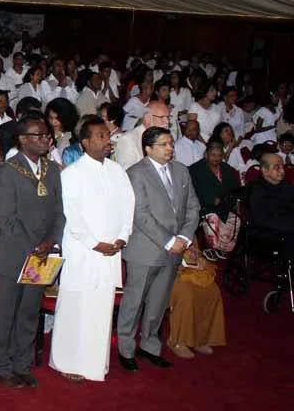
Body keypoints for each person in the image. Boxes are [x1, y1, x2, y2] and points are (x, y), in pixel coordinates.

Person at [50, 117, 134, 382]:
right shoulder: (72, 173)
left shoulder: (117, 171)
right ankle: (67, 361)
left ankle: (95, 363)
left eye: (107, 136)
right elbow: (72, 216)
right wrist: (94, 243)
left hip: (110, 252)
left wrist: (121, 237)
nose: (107, 140)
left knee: (101, 307)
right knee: (76, 306)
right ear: (85, 142)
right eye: (100, 136)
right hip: (84, 252)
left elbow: (128, 206)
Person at [0, 112, 65, 389]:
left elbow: (59, 211)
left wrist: (51, 241)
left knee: (29, 313)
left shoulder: (52, 170)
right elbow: (6, 218)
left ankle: (22, 364)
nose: (46, 139)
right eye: (40, 135)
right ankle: (3, 366)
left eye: (48, 135)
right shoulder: (6, 172)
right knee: (7, 313)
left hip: (41, 255)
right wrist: (35, 246)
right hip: (15, 254)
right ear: (23, 140)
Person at [117, 127, 200, 372]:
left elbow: (193, 207)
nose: (170, 148)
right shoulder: (135, 173)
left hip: (174, 249)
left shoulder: (181, 171)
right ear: (148, 148)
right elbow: (140, 214)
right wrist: (168, 240)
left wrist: (184, 237)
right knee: (135, 301)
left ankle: (149, 346)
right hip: (146, 249)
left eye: (171, 143)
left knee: (158, 302)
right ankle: (126, 348)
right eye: (163, 144)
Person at [190, 140, 242, 260]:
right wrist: (210, 200)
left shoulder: (227, 169)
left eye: (219, 156)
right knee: (212, 218)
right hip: (204, 207)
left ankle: (223, 248)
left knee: (236, 220)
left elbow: (235, 190)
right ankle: (212, 247)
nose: (216, 159)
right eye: (213, 155)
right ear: (206, 154)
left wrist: (225, 199)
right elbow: (193, 192)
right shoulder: (195, 169)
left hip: (225, 205)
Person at [112, 100, 172, 170]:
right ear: (147, 118)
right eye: (162, 117)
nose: (167, 122)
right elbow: (129, 173)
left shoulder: (168, 138)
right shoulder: (128, 140)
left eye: (168, 117)